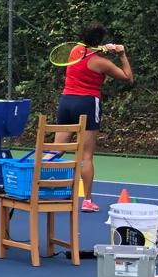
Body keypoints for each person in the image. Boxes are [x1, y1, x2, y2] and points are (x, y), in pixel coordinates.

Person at [53, 24, 133, 213]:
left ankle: (36, 187)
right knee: (86, 156)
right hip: (87, 103)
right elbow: (128, 78)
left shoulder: (74, 50)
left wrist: (105, 48)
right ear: (99, 40)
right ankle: (87, 201)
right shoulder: (101, 63)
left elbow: (89, 50)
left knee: (55, 151)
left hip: (66, 102)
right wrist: (122, 54)